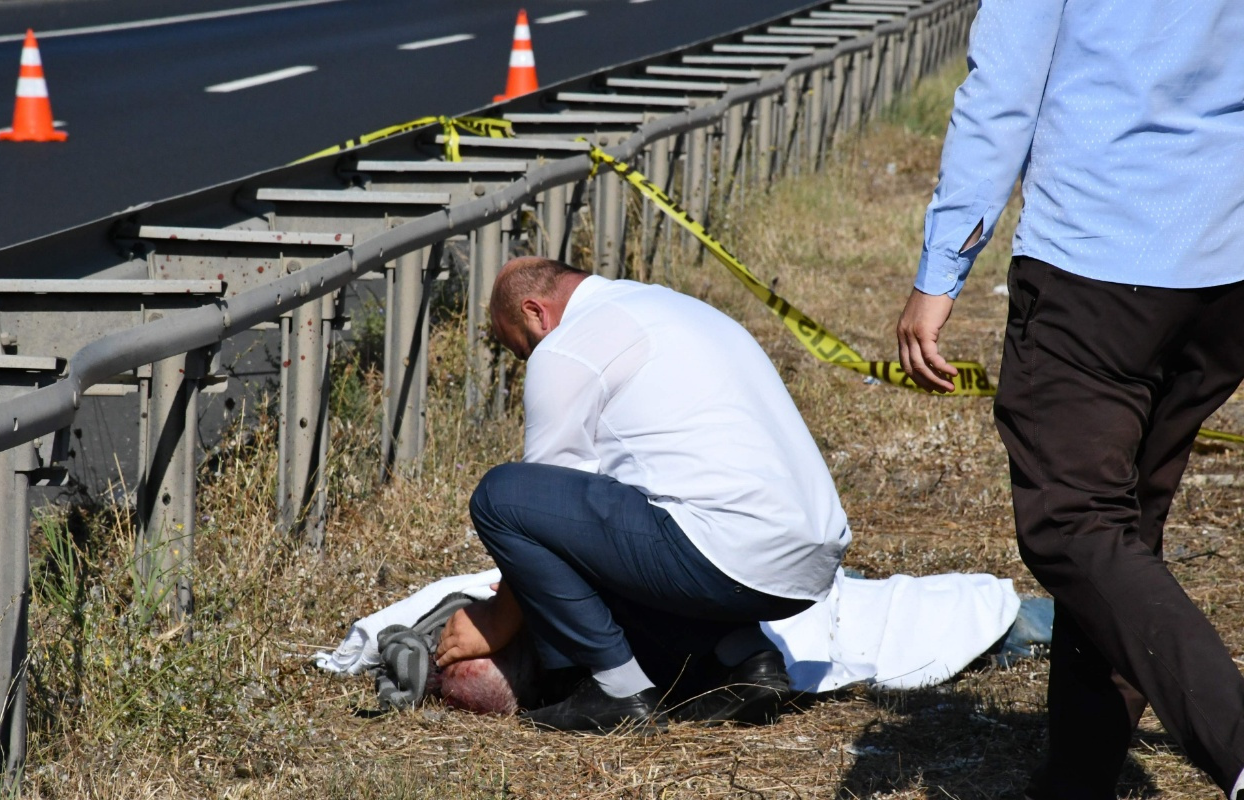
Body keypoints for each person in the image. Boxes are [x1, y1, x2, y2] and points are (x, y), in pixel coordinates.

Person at [895, 2, 1244, 798]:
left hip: (1099, 254)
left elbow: (1004, 89)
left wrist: (941, 268)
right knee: (1120, 538)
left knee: (1072, 525)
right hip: (1221, 265)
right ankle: (1079, 778)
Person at [435, 256, 851, 732]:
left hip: (724, 552)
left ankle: (617, 690)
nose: (529, 361)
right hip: (810, 564)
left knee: (500, 496)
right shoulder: (673, 306)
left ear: (535, 313)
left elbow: (540, 514)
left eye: (523, 348)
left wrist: (497, 616)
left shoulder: (569, 344)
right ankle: (747, 662)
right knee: (645, 513)